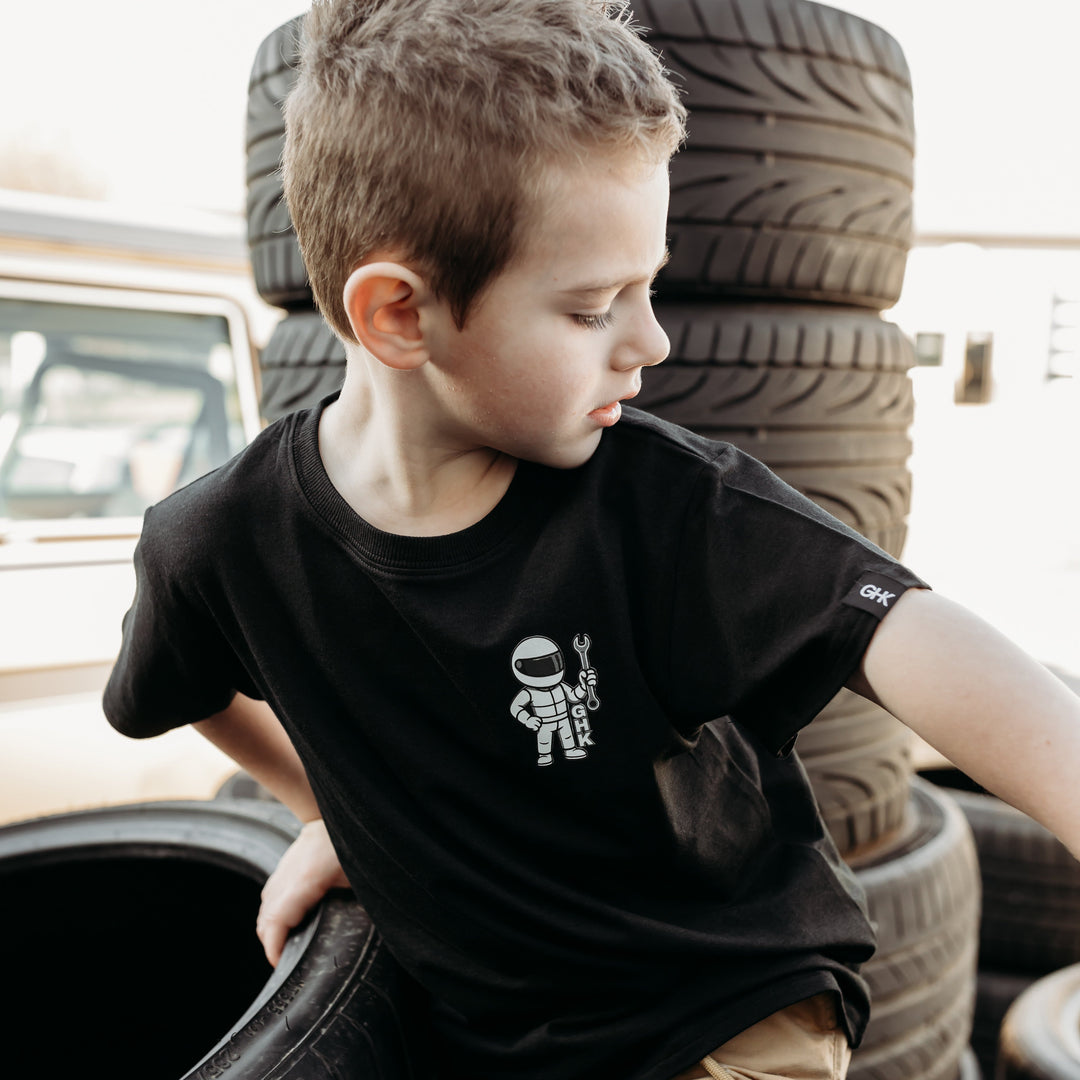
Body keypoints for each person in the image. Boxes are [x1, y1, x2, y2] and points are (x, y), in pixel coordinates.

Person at [102, 2, 1080, 1078]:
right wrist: (333, 811)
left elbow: (904, 634)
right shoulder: (218, 539)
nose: (650, 340)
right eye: (594, 306)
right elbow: (180, 685)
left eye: (648, 285)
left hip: (717, 1011)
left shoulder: (665, 504)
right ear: (399, 316)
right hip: (493, 1038)